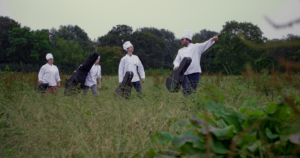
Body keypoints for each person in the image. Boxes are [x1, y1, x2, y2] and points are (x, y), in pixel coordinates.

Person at [173, 30, 219, 96]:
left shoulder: (196, 47)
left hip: (194, 72)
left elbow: (205, 44)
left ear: (188, 40)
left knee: (193, 90)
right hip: (184, 74)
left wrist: (212, 39)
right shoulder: (180, 51)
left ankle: (192, 104)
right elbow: (176, 61)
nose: (181, 41)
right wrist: (176, 66)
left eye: (183, 39)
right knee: (186, 89)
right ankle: (187, 104)